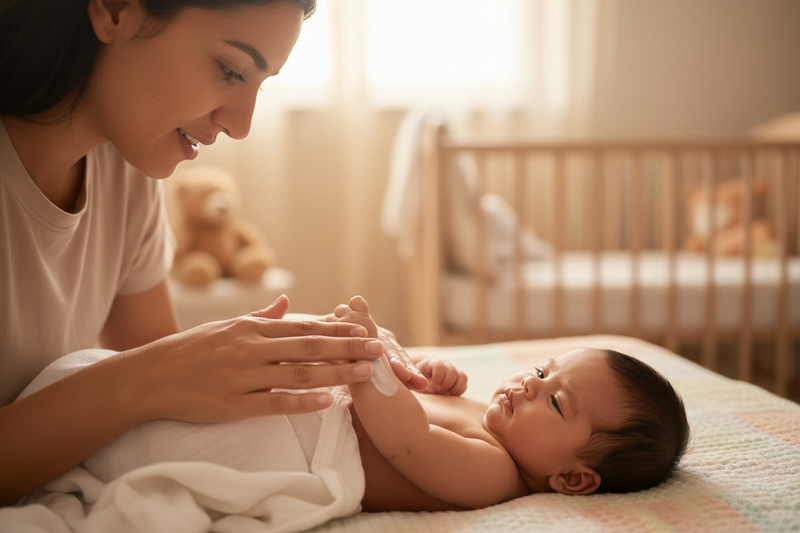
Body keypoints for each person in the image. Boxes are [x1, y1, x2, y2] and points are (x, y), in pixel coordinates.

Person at [0, 0, 426, 505]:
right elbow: (153, 375)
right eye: (230, 70)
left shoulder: (123, 174)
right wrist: (144, 379)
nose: (241, 125)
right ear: (114, 10)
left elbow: (166, 390)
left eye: (258, 87)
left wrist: (336, 371)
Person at [335, 296, 690, 511]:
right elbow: (408, 398)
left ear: (574, 478)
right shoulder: (490, 419)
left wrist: (366, 362)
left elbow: (407, 440)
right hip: (326, 401)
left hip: (317, 445)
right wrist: (423, 374)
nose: (530, 383)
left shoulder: (494, 474)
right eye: (541, 370)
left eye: (555, 402)